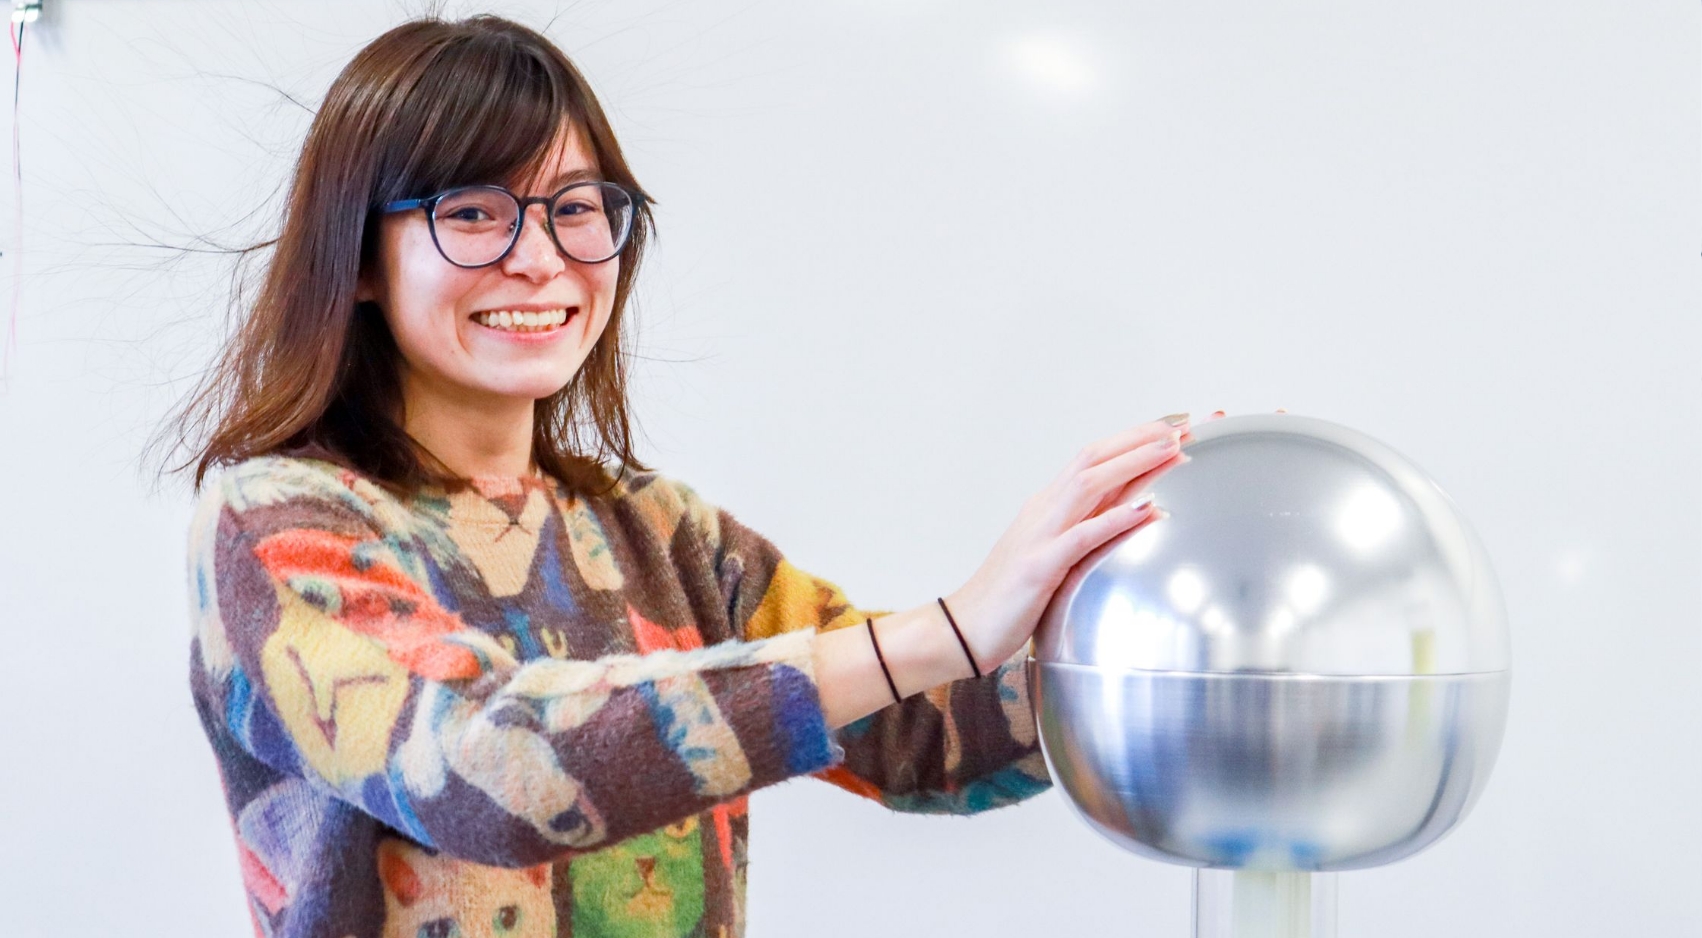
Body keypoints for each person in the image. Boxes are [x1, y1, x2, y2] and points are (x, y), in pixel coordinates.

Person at [162, 13, 1195, 938]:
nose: (540, 257)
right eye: (473, 212)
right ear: (357, 258)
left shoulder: (661, 534)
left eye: (576, 206)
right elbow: (490, 768)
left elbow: (925, 737)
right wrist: (949, 624)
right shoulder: (276, 522)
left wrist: (1178, 600)